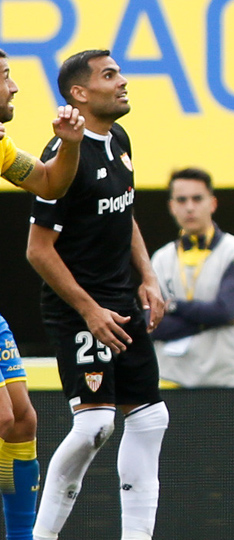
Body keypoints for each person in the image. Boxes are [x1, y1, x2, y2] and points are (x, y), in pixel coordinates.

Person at [26, 50, 169, 540]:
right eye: (110, 75)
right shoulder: (62, 156)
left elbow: (122, 211)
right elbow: (38, 251)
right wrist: (88, 310)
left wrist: (147, 276)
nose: (124, 82)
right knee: (94, 428)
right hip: (80, 311)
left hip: (121, 301)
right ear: (79, 94)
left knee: (151, 419)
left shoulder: (119, 139)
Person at [0, 50, 86, 540]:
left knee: (22, 420)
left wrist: (69, 146)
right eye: (6, 78)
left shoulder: (2, 147)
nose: (14, 88)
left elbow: (52, 184)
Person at [150, 168, 234, 388]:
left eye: (197, 199)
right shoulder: (161, 258)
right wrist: (211, 320)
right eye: (181, 200)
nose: (189, 207)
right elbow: (150, 325)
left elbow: (225, 310)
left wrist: (174, 307)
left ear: (212, 203)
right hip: (173, 377)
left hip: (228, 376)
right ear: (171, 206)